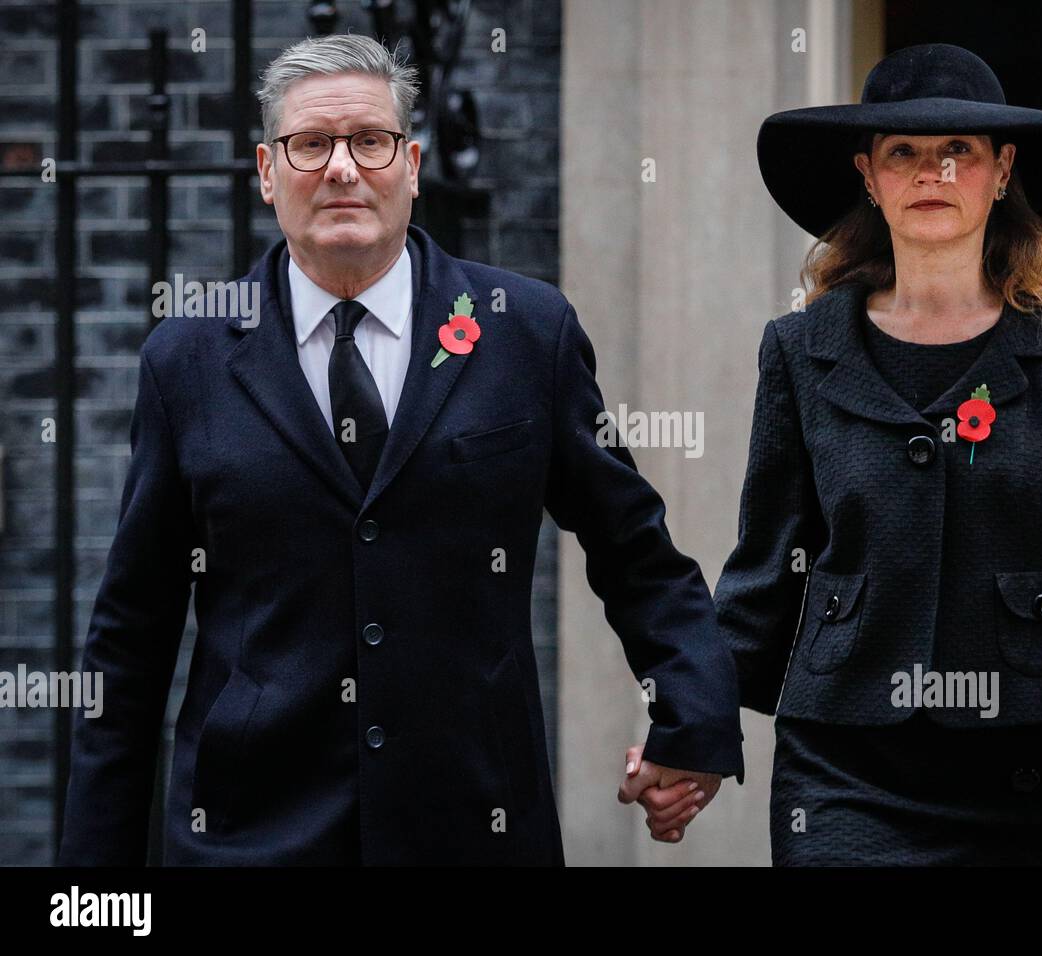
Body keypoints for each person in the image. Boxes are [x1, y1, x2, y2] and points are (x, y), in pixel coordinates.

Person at [57, 33, 742, 866]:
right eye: (310, 144)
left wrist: (694, 717)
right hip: (250, 836)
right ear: (267, 172)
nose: (342, 168)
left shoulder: (525, 332)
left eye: (369, 141)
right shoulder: (187, 360)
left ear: (411, 164)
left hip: (475, 823)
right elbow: (131, 635)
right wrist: (91, 884)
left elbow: (636, 552)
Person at [702, 43, 1042, 864]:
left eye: (959, 150)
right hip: (845, 767)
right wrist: (695, 731)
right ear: (868, 174)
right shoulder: (800, 349)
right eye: (905, 153)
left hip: (1032, 769)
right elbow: (763, 570)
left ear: (1002, 172)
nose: (933, 172)